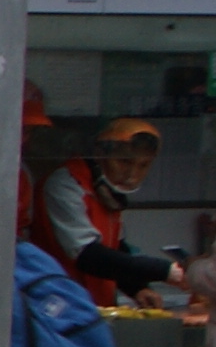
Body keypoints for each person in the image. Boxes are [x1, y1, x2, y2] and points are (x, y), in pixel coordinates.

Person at [30, 118, 196, 305]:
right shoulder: (67, 185)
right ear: (101, 153)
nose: (132, 174)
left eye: (143, 165)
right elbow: (87, 255)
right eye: (124, 161)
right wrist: (164, 271)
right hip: (58, 303)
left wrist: (137, 288)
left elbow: (115, 249)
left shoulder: (107, 191)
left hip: (94, 306)